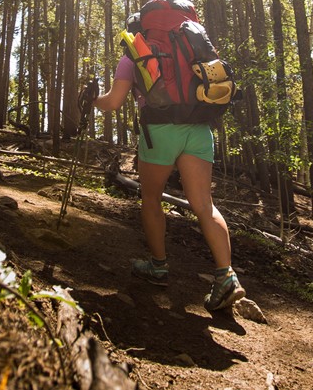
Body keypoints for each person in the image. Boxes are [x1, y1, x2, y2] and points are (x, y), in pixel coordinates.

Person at [82, 18, 245, 313]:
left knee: (152, 198)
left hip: (160, 131)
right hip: (198, 129)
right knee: (205, 205)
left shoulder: (135, 53)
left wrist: (93, 100)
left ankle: (158, 267)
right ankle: (226, 277)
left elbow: (114, 102)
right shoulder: (194, 48)